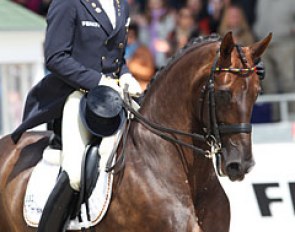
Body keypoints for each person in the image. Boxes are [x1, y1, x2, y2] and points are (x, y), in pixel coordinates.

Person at [11, 0, 141, 231]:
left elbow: (116, 58)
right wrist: (98, 81)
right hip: (75, 96)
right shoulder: (68, 3)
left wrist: (127, 75)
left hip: (112, 97)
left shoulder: (120, 4)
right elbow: (55, 57)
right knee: (74, 172)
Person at [125, 22, 155, 91]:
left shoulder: (144, 51)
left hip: (139, 87)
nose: (128, 39)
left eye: (131, 36)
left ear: (136, 36)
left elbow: (149, 72)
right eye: (126, 36)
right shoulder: (120, 49)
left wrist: (131, 66)